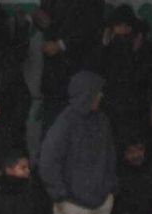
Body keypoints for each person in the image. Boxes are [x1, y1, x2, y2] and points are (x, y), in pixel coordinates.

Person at [42, 71, 118, 214]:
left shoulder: (102, 120)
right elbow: (48, 161)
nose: (101, 96)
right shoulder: (65, 122)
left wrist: (110, 187)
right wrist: (60, 196)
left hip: (101, 201)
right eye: (97, 92)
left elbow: (110, 155)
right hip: (71, 205)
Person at [92, 5, 152, 149]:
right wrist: (104, 47)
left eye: (126, 26)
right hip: (112, 110)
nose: (123, 30)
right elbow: (100, 74)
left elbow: (150, 78)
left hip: (137, 110)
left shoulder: (145, 48)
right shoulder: (108, 48)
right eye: (118, 26)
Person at [31, 0, 106, 128]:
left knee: (77, 130)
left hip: (79, 74)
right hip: (54, 79)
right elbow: (46, 20)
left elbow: (92, 29)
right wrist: (39, 19)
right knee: (52, 130)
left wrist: (61, 45)